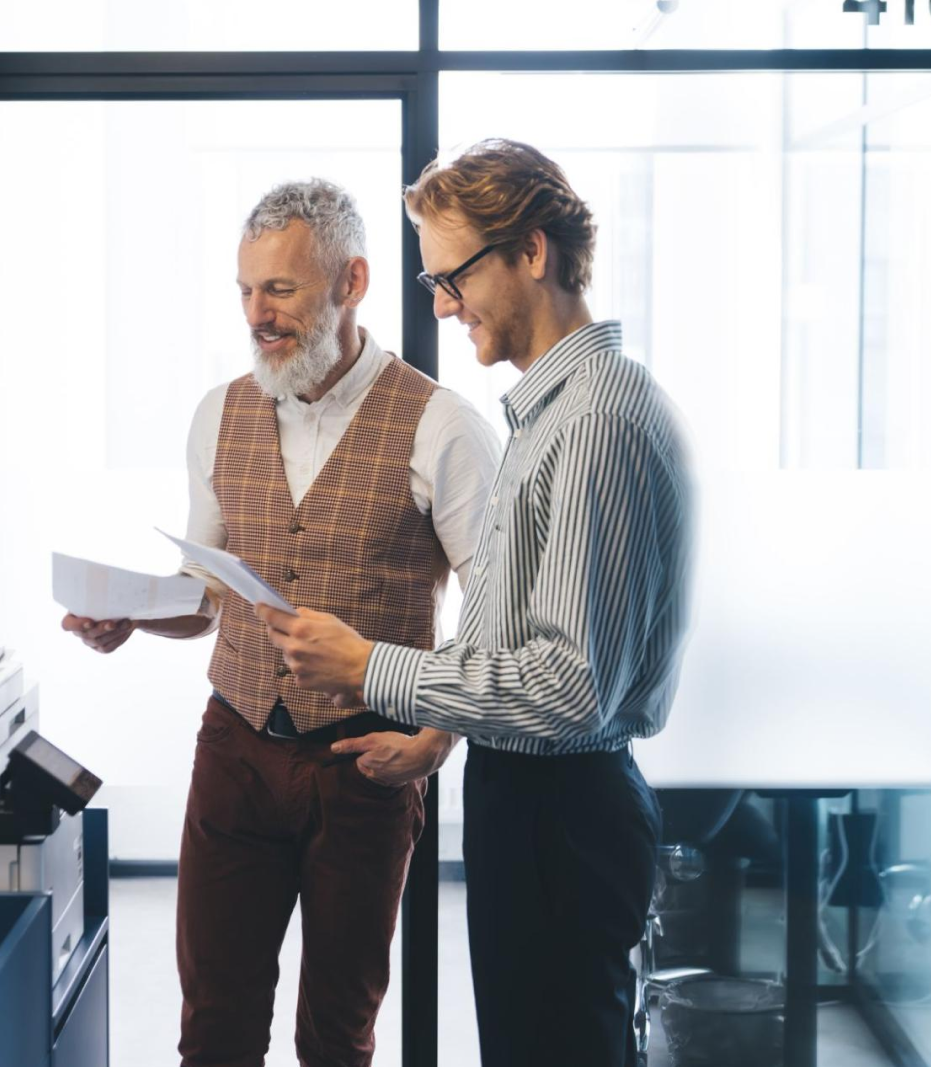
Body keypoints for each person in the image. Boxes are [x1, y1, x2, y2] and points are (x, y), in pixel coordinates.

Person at [257, 141, 695, 1067]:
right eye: (434, 281)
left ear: (532, 252)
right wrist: (440, 730)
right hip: (537, 800)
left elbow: (570, 687)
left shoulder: (594, 423)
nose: (444, 306)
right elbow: (517, 627)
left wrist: (370, 666)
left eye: (453, 277)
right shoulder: (555, 411)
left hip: (560, 813)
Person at [61, 178, 500, 1067]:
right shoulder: (218, 413)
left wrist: (435, 740)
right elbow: (207, 595)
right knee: (213, 1030)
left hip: (365, 765)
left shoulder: (442, 425)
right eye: (246, 290)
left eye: (282, 290)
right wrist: (135, 617)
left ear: (352, 282)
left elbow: (498, 609)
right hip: (234, 751)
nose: (257, 314)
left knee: (336, 1037)